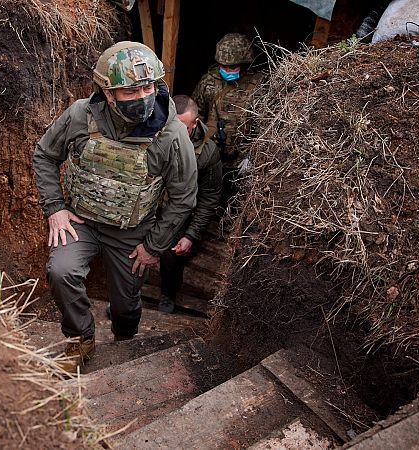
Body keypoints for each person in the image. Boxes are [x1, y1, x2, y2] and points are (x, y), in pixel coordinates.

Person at [32, 41, 198, 374]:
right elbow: (46, 155)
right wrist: (54, 207)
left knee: (125, 305)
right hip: (82, 221)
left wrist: (153, 246)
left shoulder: (172, 134)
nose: (142, 96)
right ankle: (81, 338)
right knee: (61, 272)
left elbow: (183, 196)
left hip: (131, 234)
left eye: (148, 86)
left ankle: (126, 340)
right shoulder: (81, 115)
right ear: (108, 93)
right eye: (129, 90)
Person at [157, 95, 223, 313]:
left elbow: (209, 198)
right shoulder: (155, 133)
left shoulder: (208, 152)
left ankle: (168, 293)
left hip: (181, 211)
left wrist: (191, 235)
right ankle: (125, 299)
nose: (175, 131)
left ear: (195, 124)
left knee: (171, 253)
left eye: (183, 127)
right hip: (153, 203)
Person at [192, 33, 263, 215]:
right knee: (206, 198)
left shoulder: (259, 85)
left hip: (241, 156)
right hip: (212, 153)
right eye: (224, 66)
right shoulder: (208, 82)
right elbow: (195, 114)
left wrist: (253, 155)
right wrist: (196, 147)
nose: (227, 70)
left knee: (234, 203)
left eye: (233, 66)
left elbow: (266, 123)